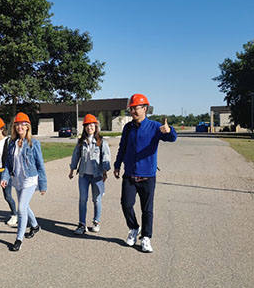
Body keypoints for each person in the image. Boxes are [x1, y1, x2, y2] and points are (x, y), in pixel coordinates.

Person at [113, 94, 177, 253]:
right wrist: (117, 164)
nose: (133, 111)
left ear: (145, 108)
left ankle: (146, 237)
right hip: (129, 174)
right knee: (126, 204)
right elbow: (122, 147)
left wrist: (169, 131)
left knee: (147, 209)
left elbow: (172, 138)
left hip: (147, 176)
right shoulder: (128, 127)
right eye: (131, 108)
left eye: (136, 108)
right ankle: (134, 228)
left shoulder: (154, 127)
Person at [1, 112, 47, 252]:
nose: (20, 127)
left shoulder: (34, 143)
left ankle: (19, 239)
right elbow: (8, 164)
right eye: (17, 124)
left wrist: (43, 184)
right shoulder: (12, 143)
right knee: (25, 206)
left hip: (30, 179)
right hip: (17, 179)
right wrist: (5, 177)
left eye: (23, 124)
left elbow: (40, 164)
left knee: (21, 208)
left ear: (27, 127)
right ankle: (35, 226)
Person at [68, 114, 111, 235]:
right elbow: (75, 156)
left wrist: (105, 172)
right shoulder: (81, 142)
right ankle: (82, 224)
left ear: (95, 126)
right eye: (87, 126)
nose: (89, 128)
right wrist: (72, 170)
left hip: (97, 176)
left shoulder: (101, 142)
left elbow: (106, 157)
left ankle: (96, 222)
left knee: (96, 200)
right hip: (83, 175)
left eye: (91, 125)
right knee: (83, 199)